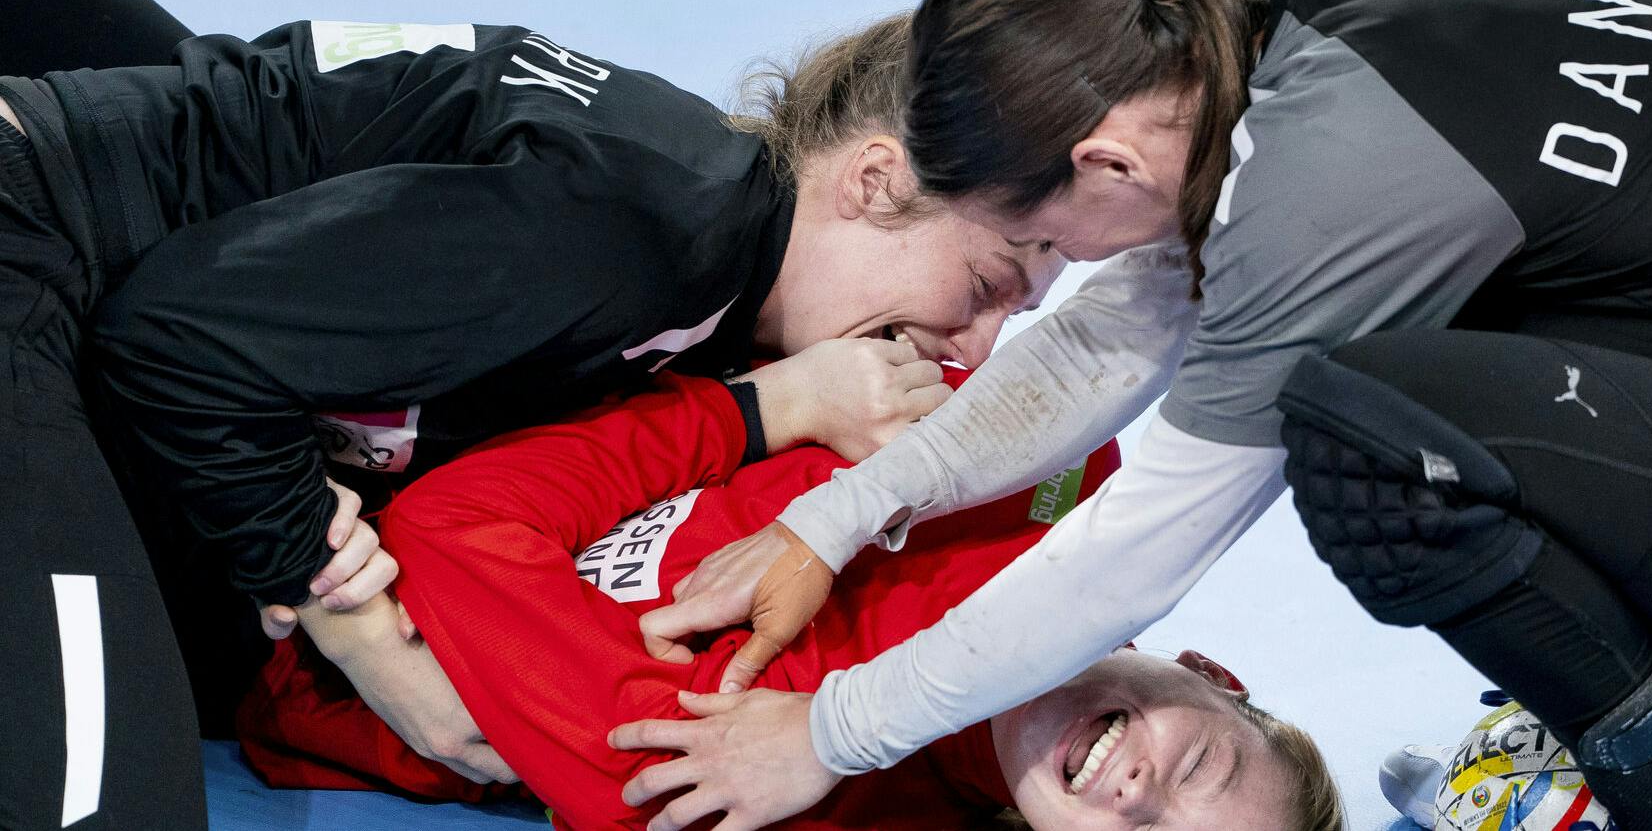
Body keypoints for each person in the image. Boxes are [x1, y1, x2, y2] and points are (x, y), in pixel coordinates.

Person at [629, 0, 1652, 831]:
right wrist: (836, 516)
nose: (1044, 282)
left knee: (1377, 436)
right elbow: (1125, 327)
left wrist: (828, 733)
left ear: (1109, 165)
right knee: (1453, 312)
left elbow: (1133, 550)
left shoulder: (1341, 183)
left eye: (1038, 237)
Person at [0, 0, 1049, 831]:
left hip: (99, 300)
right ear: (873, 181)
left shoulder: (702, 257)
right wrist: (359, 628)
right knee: (98, 802)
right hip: (42, 255)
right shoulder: (645, 241)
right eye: (987, 286)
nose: (978, 344)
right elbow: (172, 336)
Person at [232, 352, 1344, 831]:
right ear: (1209, 674)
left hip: (242, 595)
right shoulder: (1059, 479)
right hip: (348, 408)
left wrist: (366, 627)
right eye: (1200, 764)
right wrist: (759, 406)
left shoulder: (747, 793)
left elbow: (448, 526)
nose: (1142, 796)